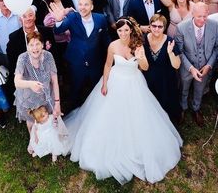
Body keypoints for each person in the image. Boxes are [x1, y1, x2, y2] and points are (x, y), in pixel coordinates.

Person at [64, 17, 183, 185]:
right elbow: (107, 65)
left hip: (134, 82)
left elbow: (145, 68)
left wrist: (141, 57)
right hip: (115, 81)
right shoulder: (112, 45)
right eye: (120, 30)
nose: (123, 33)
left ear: (131, 30)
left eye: (126, 30)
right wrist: (104, 83)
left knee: (137, 115)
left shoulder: (138, 45)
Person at [53, 0, 111, 110]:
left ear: (92, 6)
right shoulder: (72, 17)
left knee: (97, 89)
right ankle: (74, 110)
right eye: (80, 4)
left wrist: (112, 54)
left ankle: (99, 111)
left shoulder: (101, 18)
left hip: (95, 62)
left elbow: (106, 39)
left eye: (86, 4)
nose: (82, 7)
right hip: (76, 62)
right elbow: (58, 30)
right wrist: (59, 20)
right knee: (75, 89)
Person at [174, 2, 218, 126]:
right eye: (199, 16)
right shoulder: (181, 27)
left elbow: (217, 47)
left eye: (205, 16)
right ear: (192, 14)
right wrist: (190, 68)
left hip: (205, 67)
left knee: (199, 90)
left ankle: (196, 108)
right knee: (183, 89)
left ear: (208, 14)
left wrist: (209, 65)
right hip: (187, 67)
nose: (202, 20)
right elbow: (179, 51)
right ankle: (182, 109)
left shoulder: (214, 25)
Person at [14, 30, 62, 133]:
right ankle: (33, 140)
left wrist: (57, 103)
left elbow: (54, 81)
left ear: (42, 45)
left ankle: (47, 137)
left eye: (37, 44)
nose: (35, 48)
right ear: (27, 47)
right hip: (29, 98)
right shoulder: (22, 58)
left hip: (46, 95)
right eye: (31, 45)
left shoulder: (48, 56)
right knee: (31, 122)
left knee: (47, 118)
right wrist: (30, 84)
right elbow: (17, 81)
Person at [143, 14, 181, 124]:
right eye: (154, 26)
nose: (156, 29)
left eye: (160, 27)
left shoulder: (170, 41)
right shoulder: (143, 39)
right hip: (148, 78)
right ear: (150, 26)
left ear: (164, 28)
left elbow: (177, 65)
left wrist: (170, 53)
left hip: (166, 79)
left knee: (165, 105)